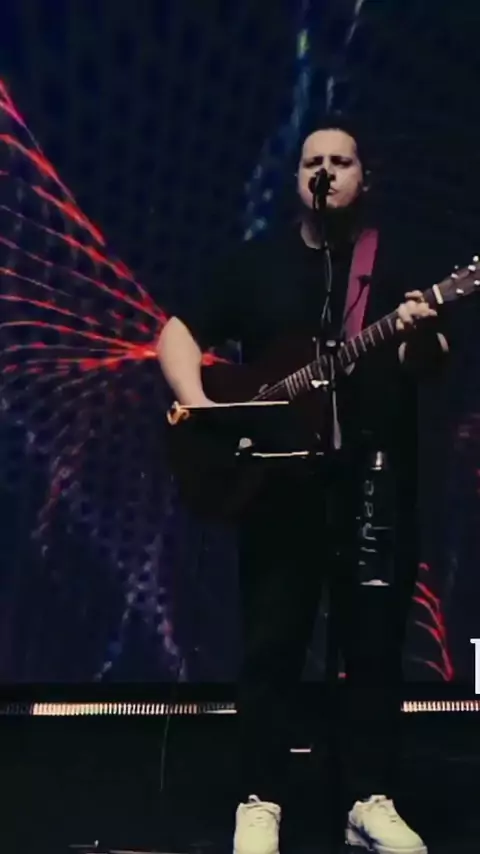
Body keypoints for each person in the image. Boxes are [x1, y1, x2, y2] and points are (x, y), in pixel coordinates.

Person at [157, 120, 449, 854]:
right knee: (272, 646)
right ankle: (261, 799)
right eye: (313, 161)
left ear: (363, 178)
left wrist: (419, 333)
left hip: (373, 486)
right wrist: (204, 408)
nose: (327, 171)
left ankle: (368, 799)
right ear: (297, 180)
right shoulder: (256, 263)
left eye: (341, 161)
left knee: (373, 646)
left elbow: (428, 363)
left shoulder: (394, 263)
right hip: (280, 492)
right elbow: (178, 334)